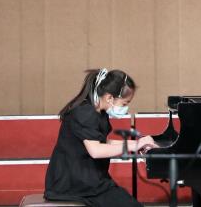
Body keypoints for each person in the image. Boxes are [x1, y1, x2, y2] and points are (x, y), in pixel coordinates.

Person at [45, 68, 157, 207]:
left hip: (90, 179)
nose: (126, 108)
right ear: (109, 98)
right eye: (124, 103)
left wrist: (137, 144)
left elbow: (103, 142)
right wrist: (134, 145)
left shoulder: (99, 112)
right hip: (74, 183)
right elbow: (96, 150)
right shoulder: (85, 112)